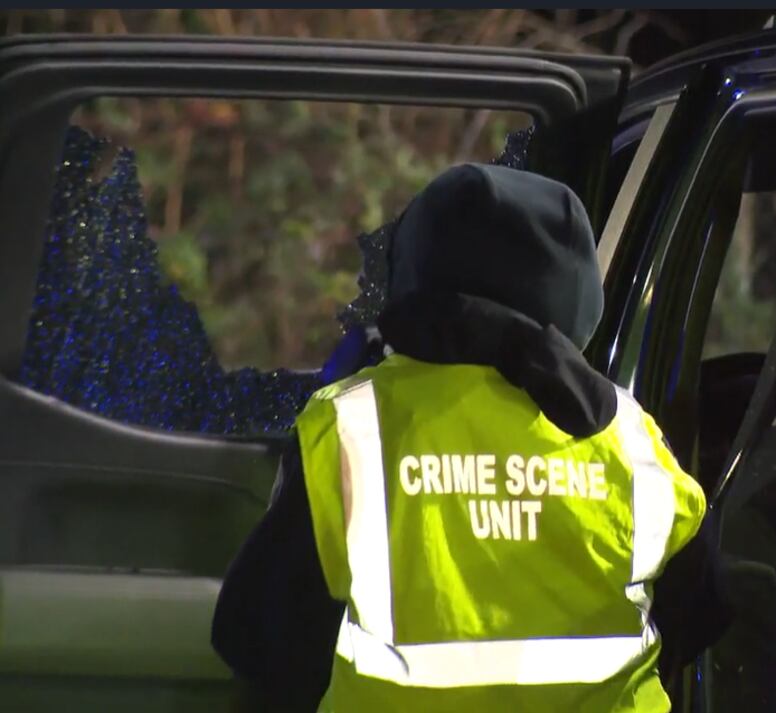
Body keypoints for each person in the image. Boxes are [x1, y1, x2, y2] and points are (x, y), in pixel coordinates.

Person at [212, 163, 724, 712]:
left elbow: (258, 637)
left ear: (415, 269)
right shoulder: (631, 437)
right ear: (578, 294)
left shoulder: (354, 425)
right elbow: (702, 614)